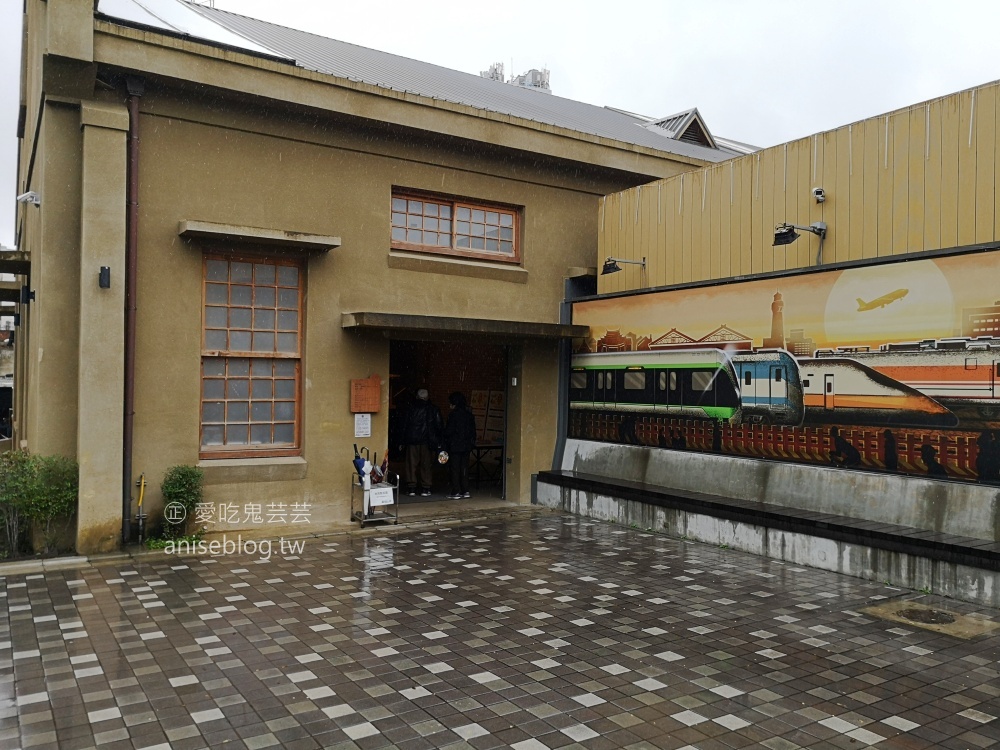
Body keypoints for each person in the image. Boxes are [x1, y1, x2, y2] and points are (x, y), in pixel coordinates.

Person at [400, 388, 443, 496]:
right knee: (426, 465)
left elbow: (404, 425)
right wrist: (439, 440)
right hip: (427, 441)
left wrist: (401, 440)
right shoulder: (433, 409)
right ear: (427, 397)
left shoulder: (410, 408)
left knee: (411, 464)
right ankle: (426, 488)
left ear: (417, 397)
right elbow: (439, 425)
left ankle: (411, 488)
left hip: (412, 440)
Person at [444, 391, 477, 500]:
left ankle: (456, 491)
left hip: (455, 445)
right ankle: (465, 490)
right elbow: (473, 431)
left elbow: (449, 431)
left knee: (454, 468)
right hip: (466, 445)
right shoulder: (469, 415)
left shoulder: (453, 415)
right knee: (464, 468)